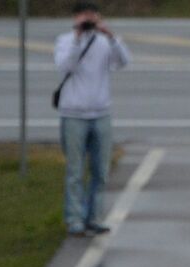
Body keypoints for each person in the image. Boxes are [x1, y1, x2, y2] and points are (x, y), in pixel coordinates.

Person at [54, 2, 131, 237]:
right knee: (75, 171)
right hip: (73, 115)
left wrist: (110, 35)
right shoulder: (66, 40)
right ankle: (75, 219)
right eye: (83, 16)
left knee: (100, 170)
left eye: (92, 16)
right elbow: (64, 65)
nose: (88, 20)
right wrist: (78, 38)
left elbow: (124, 61)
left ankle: (94, 217)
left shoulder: (104, 42)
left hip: (101, 114)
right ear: (75, 18)